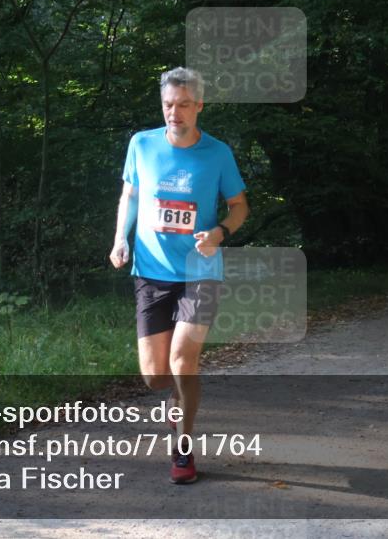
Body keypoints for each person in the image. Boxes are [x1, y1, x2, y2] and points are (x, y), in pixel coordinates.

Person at [109, 67, 249, 484]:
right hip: (151, 270)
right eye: (169, 104)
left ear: (199, 106)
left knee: (182, 359)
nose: (175, 112)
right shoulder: (142, 144)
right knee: (155, 376)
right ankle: (176, 395)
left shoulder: (218, 153)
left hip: (200, 271)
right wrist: (121, 238)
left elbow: (240, 207)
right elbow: (129, 194)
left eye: (184, 104)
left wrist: (221, 232)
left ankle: (183, 449)